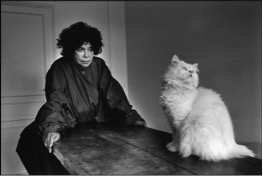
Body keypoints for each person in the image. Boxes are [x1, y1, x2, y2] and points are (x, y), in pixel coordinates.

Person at [16, 21, 146, 175]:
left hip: (93, 128)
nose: (87, 55)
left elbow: (113, 94)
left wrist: (130, 116)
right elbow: (56, 100)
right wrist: (52, 127)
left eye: (90, 49)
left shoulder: (99, 65)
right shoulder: (59, 68)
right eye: (80, 49)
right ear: (71, 50)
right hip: (66, 125)